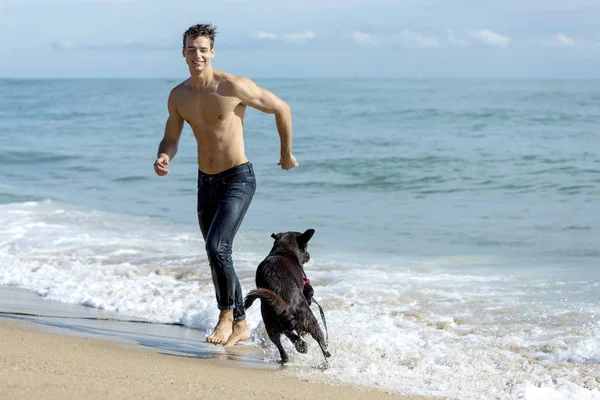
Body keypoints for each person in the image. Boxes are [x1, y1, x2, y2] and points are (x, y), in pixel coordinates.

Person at [153, 23, 299, 347]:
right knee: (218, 253)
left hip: (238, 177)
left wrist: (285, 153)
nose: (197, 55)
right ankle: (242, 323)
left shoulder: (232, 86)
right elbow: (171, 136)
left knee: (216, 247)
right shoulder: (178, 96)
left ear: (212, 52)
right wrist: (164, 155)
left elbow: (281, 108)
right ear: (183, 53)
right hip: (206, 182)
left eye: (203, 49)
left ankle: (227, 316)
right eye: (191, 49)